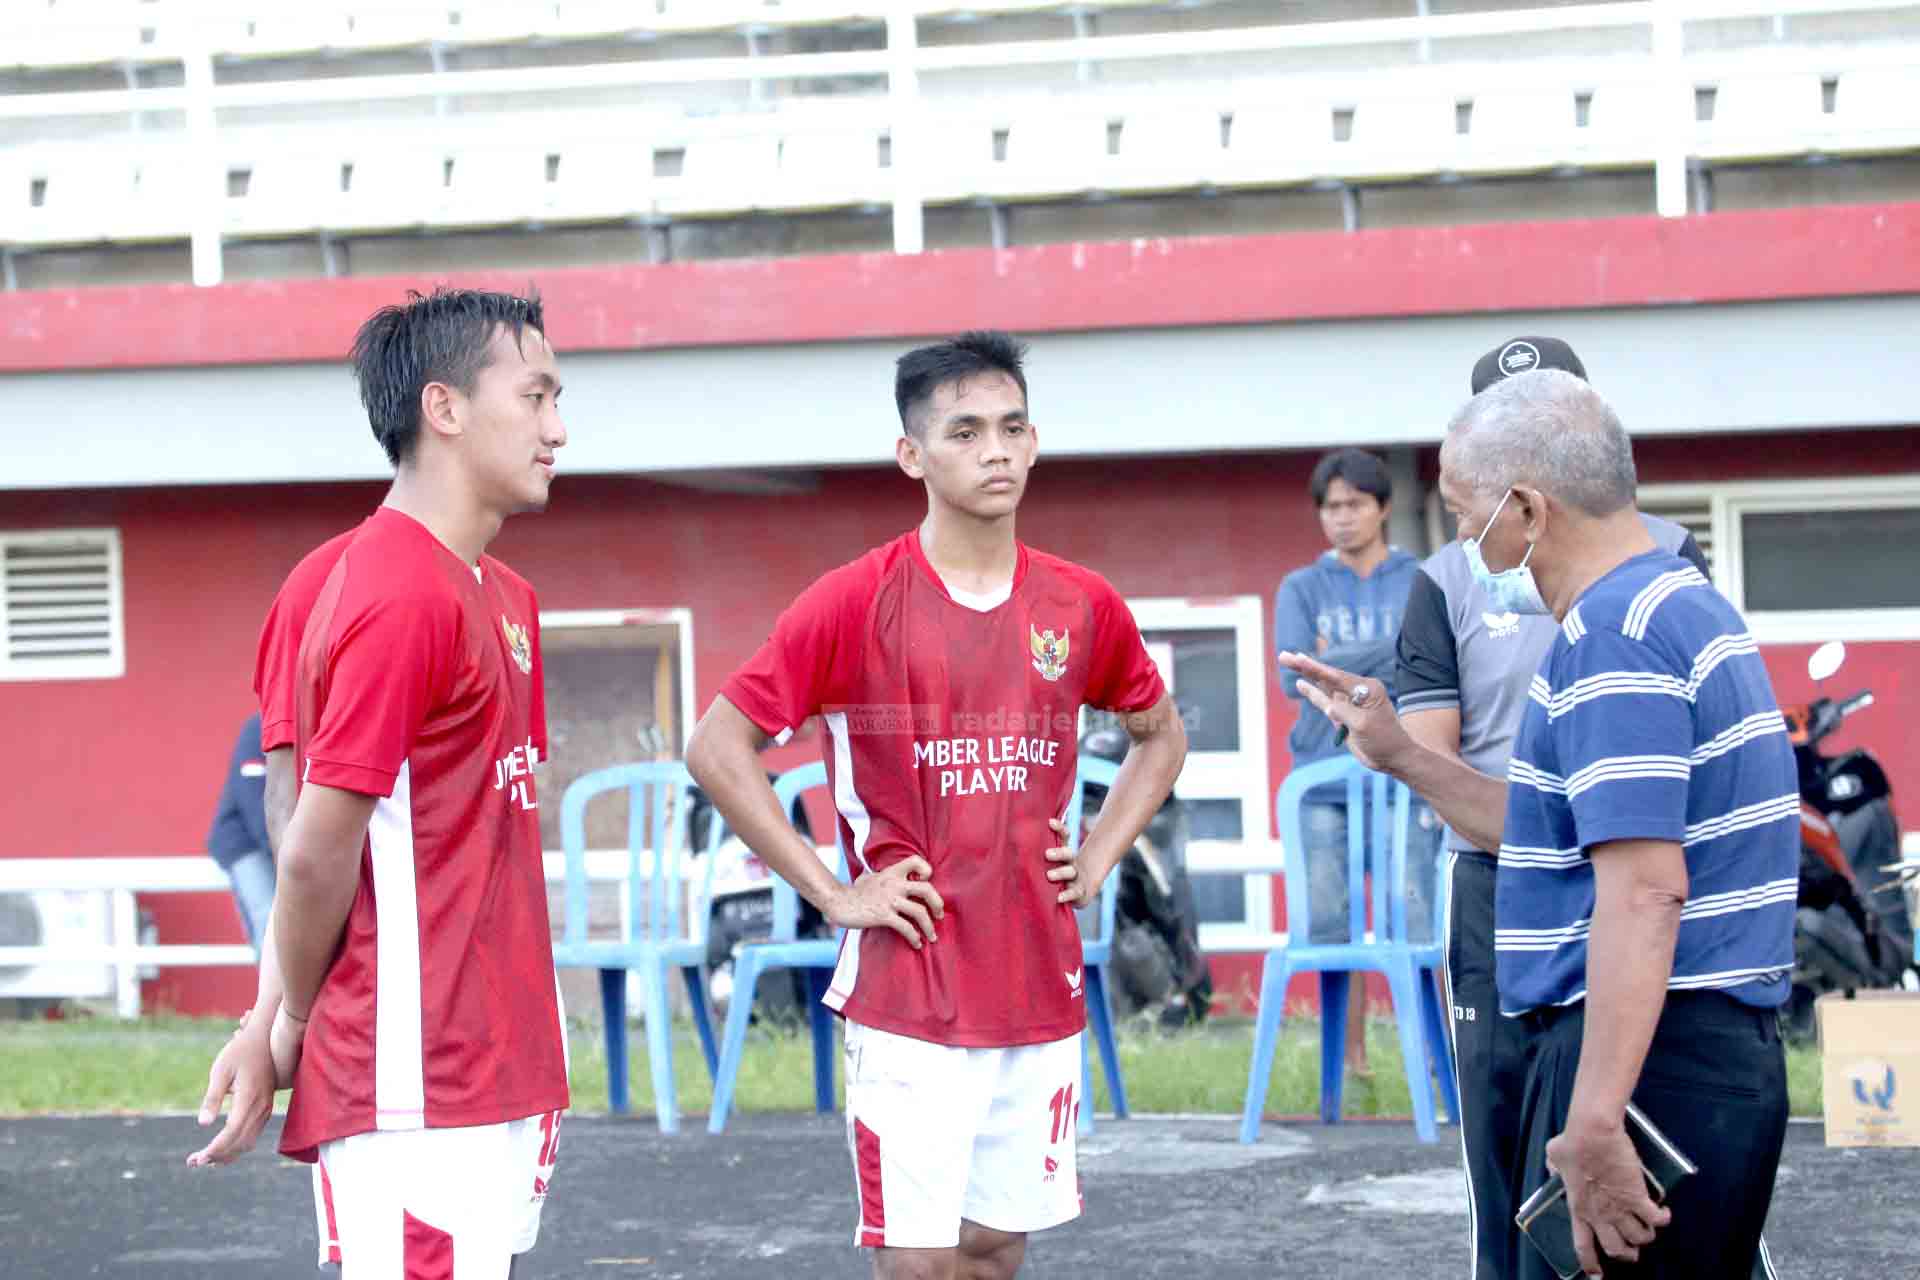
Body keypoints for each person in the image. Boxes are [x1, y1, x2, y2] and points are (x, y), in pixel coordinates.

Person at [686, 331, 1187, 1280]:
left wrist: (1099, 853)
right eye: (965, 432)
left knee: (995, 1251)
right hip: (908, 988)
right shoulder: (852, 601)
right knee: (917, 1263)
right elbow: (717, 748)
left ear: (1034, 443)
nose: (995, 450)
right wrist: (836, 893)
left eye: (1012, 427)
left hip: (1036, 980)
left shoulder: (1081, 606)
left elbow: (1160, 737)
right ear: (914, 456)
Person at [1288, 369, 1795, 1279]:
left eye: (1460, 513)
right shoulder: (1679, 606)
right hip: (1688, 1051)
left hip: (1650, 1062)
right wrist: (1401, 752)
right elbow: (1544, 830)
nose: (1460, 544)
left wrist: (1596, 1120)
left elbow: (1643, 892)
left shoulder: (1614, 637)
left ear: (1524, 507)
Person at [192, 287, 571, 1280]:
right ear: (445, 408)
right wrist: (282, 1019)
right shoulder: (365, 586)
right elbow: (305, 835)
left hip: (508, 1050)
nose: (557, 428)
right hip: (411, 1066)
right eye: (534, 398)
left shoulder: (508, 595)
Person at [1392, 337, 1730, 1280]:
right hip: (1501, 885)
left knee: (1666, 1137)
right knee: (1507, 1148)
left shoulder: (1663, 558)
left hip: (1639, 872)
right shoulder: (1447, 576)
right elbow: (1436, 765)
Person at [1273, 447, 1427, 1076]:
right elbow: (1292, 675)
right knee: (1330, 928)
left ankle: (1432, 1061)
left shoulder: (1420, 578)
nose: (1341, 518)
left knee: (1414, 921)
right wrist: (1383, 656)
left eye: (1354, 505)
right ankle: (1347, 1064)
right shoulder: (1301, 587)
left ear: (1383, 508)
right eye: (1330, 507)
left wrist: (1336, 658)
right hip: (1320, 781)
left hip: (1403, 775)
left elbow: (1426, 662)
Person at [205, 713, 275, 954]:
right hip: (244, 842)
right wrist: (280, 852)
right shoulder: (259, 728)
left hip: (285, 843)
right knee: (267, 918)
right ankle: (274, 991)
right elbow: (253, 799)